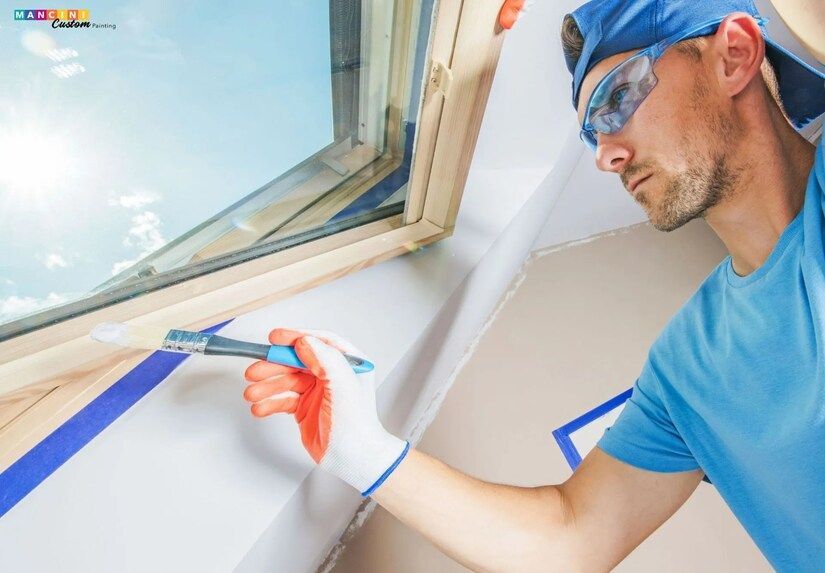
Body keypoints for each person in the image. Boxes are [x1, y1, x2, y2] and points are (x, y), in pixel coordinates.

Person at [241, 0, 825, 570]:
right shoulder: (689, 369)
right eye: (590, 136)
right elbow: (569, 538)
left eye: (617, 98)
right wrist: (362, 447)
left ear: (736, 53)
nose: (605, 157)